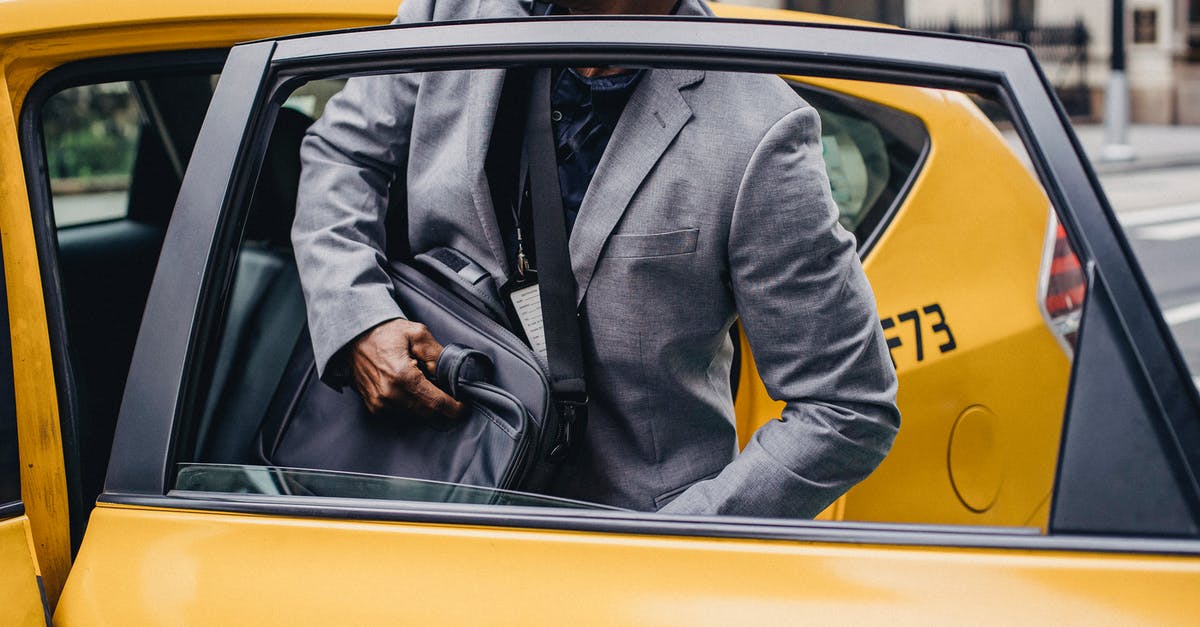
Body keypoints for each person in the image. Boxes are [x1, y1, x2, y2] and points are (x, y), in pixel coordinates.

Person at [293, 0, 900, 518]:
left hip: (615, 562)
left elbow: (847, 407)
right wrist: (360, 319)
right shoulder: (454, 12)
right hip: (422, 497)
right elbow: (344, 155)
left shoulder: (757, 127)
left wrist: (672, 540)